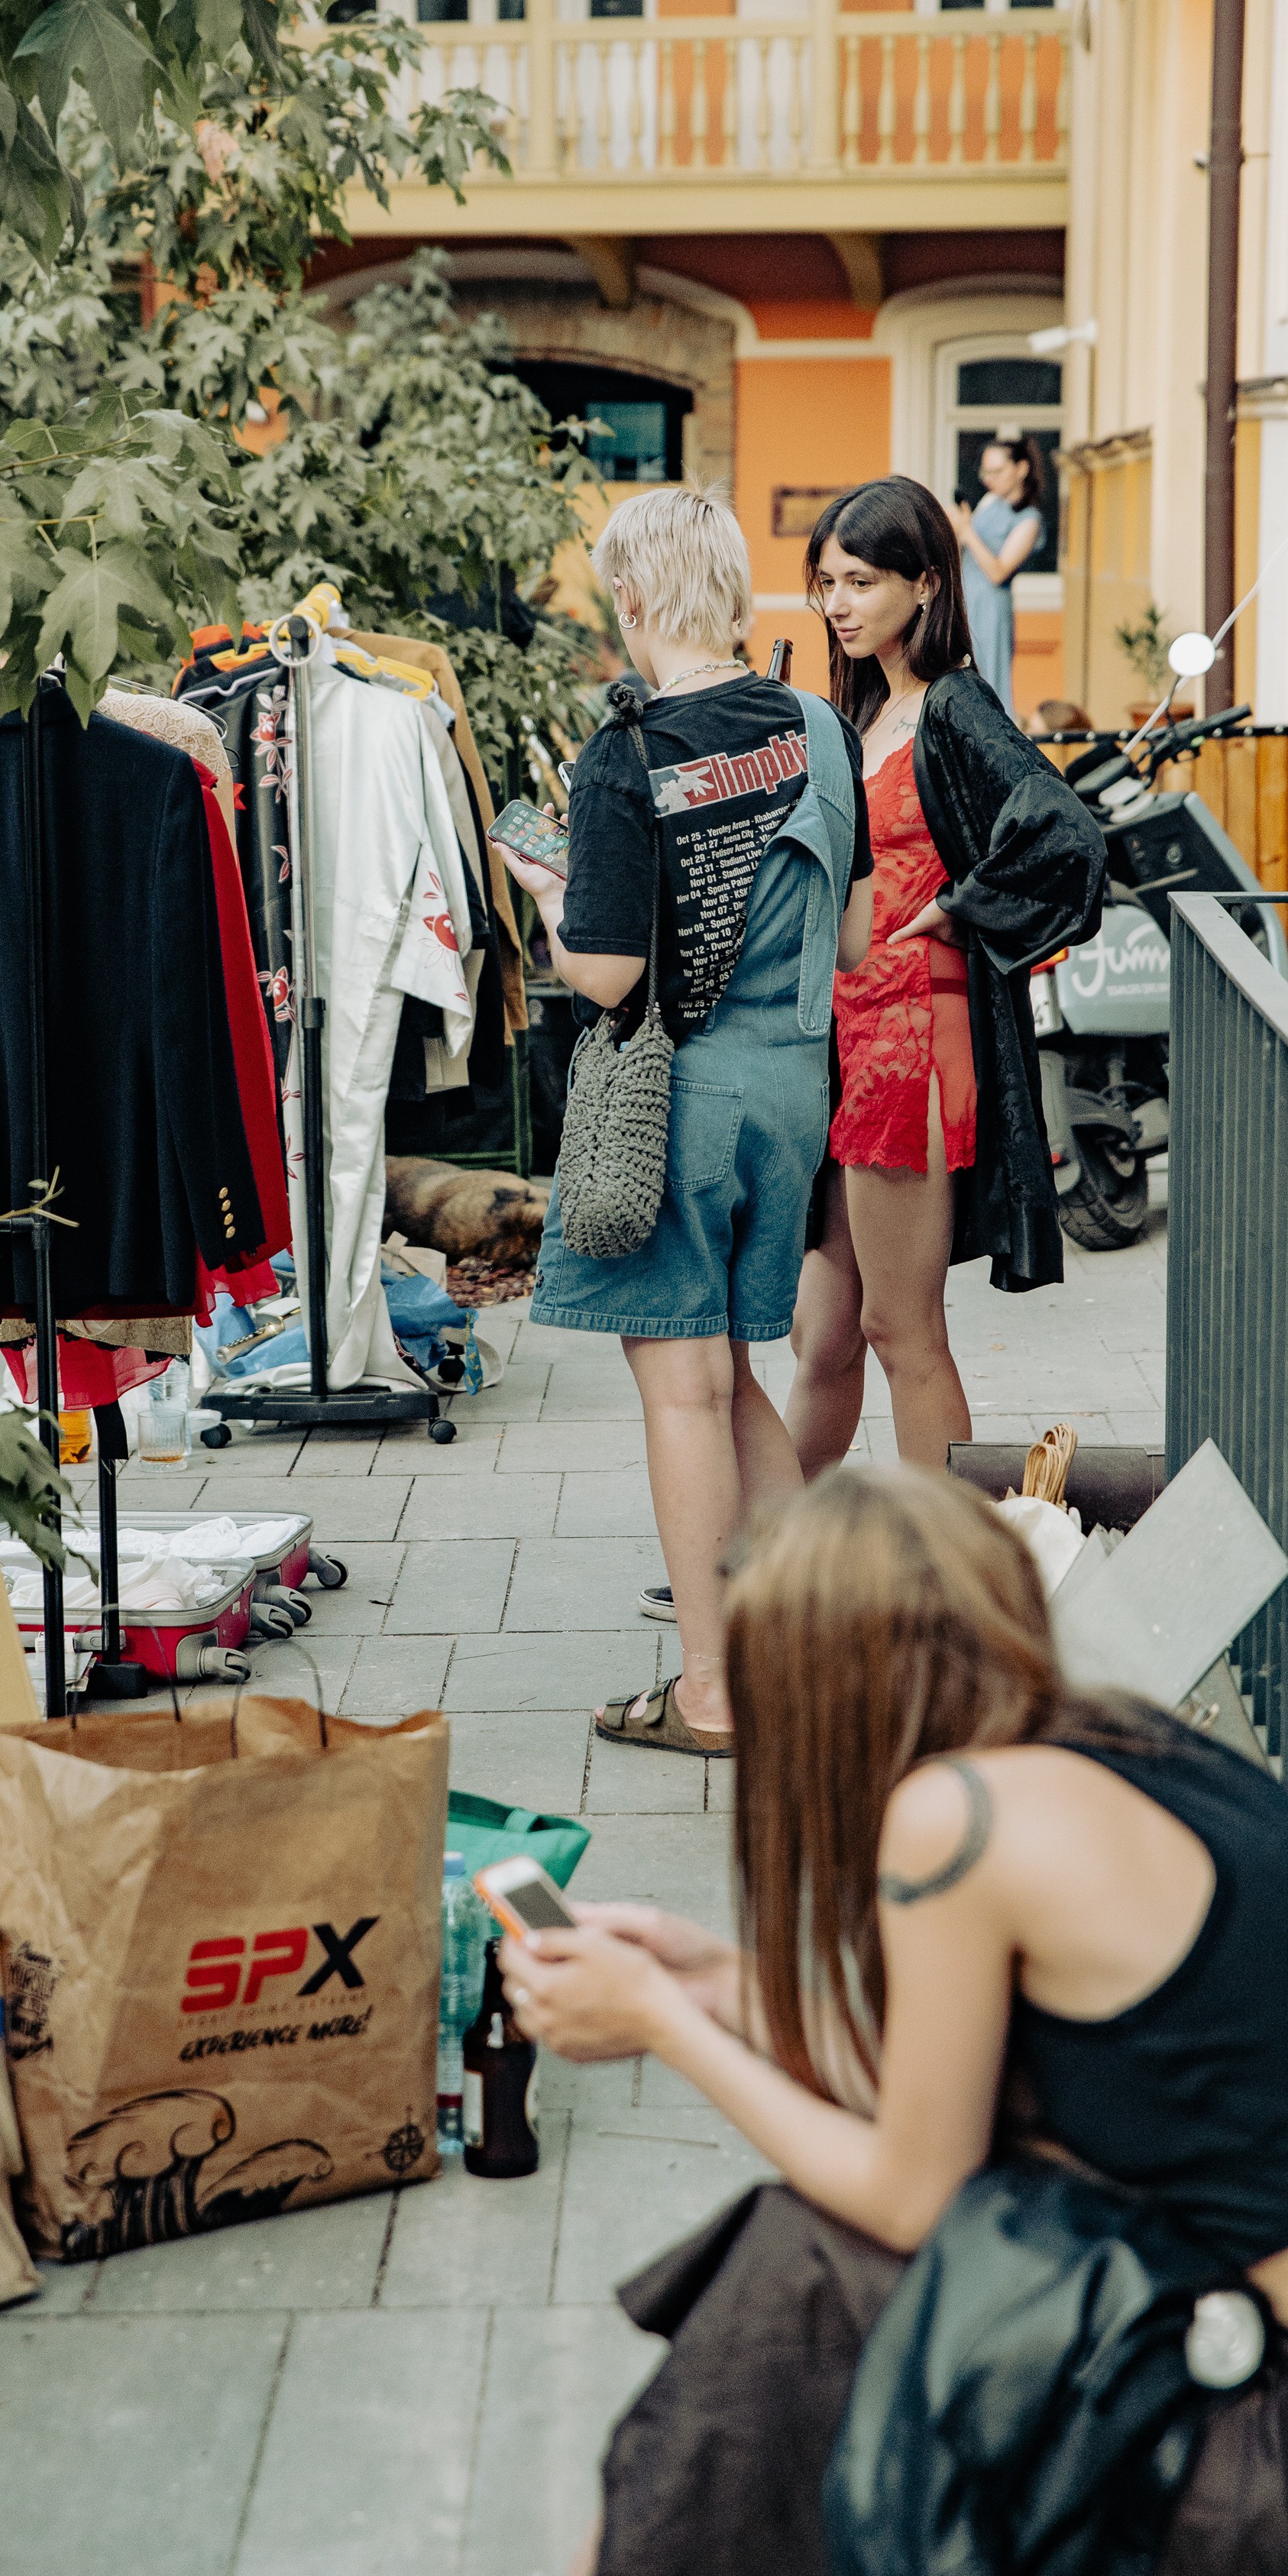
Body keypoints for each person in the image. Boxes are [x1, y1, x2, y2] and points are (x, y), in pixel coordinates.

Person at [500, 1467, 1288, 2576]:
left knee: (815, 2270)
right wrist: (715, 1982)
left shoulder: (958, 1819)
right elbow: (966, 2101)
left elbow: (912, 2190)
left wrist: (659, 2022)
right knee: (831, 2282)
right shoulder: (1104, 1744)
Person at [500, 486, 874, 1758]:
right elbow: (862, 934)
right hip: (793, 1089)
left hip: (680, 1097)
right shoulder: (822, 726)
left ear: (640, 596)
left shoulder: (628, 750)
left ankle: (711, 1692)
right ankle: (810, 1647)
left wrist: (553, 891)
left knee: (680, 1389)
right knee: (733, 1377)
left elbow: (604, 977)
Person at [784, 477, 1105, 1478]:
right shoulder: (866, 705)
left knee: (899, 1327)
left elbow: (1067, 831)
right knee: (824, 1333)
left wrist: (964, 907)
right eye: (826, 581)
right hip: (841, 1037)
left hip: (917, 1037)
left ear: (926, 582)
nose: (838, 603)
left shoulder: (954, 703)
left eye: (862, 581)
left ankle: (947, 1578)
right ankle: (762, 1552)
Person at [950, 435, 1045, 719]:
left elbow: (998, 572)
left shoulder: (1029, 518)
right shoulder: (990, 501)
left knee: (989, 678)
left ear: (1021, 469)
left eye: (997, 471)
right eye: (985, 472)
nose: (989, 479)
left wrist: (967, 530)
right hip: (966, 597)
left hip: (991, 606)